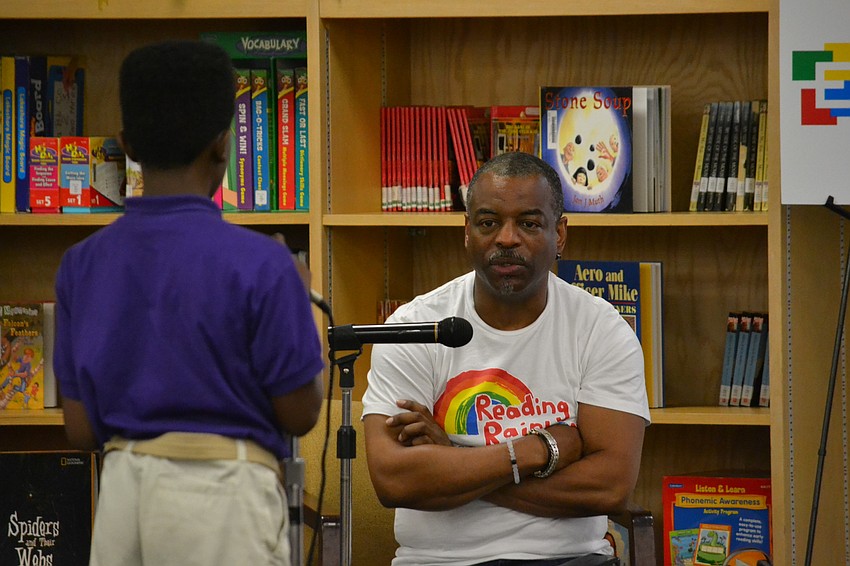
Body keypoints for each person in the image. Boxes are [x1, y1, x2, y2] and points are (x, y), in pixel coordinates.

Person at [53, 40, 325, 566]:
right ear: (225, 145)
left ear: (126, 146)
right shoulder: (265, 265)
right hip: (225, 495)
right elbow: (301, 412)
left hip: (121, 492)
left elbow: (80, 429)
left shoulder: (80, 264)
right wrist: (300, 297)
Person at [362, 151, 650, 565]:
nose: (507, 239)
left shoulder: (600, 330)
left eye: (529, 224)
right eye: (488, 223)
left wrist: (453, 461)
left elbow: (609, 488)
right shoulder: (415, 325)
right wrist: (539, 450)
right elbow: (394, 480)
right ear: (467, 232)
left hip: (569, 559)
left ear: (561, 234)